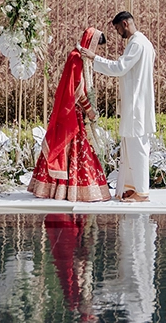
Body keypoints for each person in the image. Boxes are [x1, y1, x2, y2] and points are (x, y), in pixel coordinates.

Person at [28, 27, 112, 202]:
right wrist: (89, 110)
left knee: (73, 149)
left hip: (73, 111)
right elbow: (77, 90)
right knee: (75, 149)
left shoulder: (79, 58)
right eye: (95, 46)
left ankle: (60, 190)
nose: (95, 51)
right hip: (72, 113)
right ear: (89, 43)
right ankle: (69, 191)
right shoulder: (77, 58)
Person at [80, 11, 155, 203]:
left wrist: (94, 58)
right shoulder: (144, 43)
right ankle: (132, 188)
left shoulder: (137, 43)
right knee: (130, 147)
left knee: (137, 148)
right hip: (136, 102)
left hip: (136, 104)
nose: (118, 33)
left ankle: (142, 192)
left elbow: (119, 68)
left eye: (118, 28)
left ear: (125, 24)